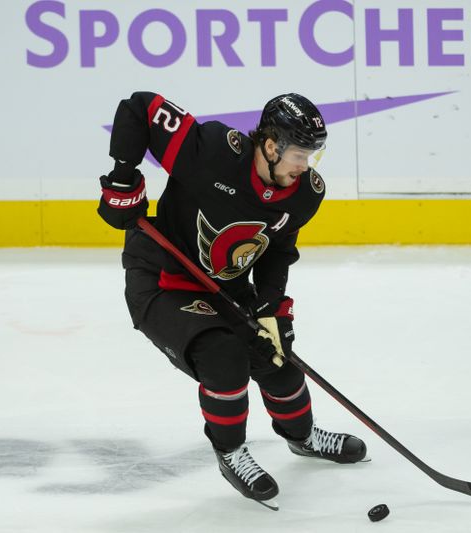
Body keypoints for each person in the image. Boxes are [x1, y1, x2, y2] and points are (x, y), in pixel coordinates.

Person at [97, 91, 367, 509]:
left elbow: (277, 249)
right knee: (223, 356)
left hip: (227, 285)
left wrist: (271, 306)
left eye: (311, 157)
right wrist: (122, 178)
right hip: (162, 279)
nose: (304, 166)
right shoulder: (214, 152)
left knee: (278, 357)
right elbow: (139, 108)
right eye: (298, 154)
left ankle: (303, 437)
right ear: (271, 145)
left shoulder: (304, 194)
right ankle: (230, 452)